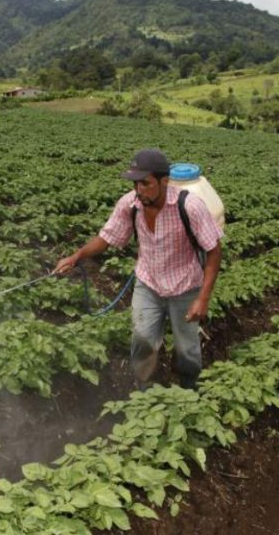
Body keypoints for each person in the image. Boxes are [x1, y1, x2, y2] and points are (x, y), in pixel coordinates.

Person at [53, 149, 223, 389]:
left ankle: (189, 390)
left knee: (186, 347)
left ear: (164, 181)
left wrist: (203, 298)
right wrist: (76, 256)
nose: (139, 189)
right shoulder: (130, 204)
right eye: (136, 183)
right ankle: (144, 394)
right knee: (142, 340)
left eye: (146, 183)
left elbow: (214, 251)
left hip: (185, 288)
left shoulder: (190, 206)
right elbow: (107, 237)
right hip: (148, 285)